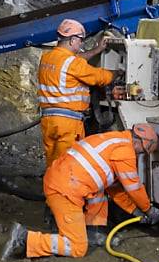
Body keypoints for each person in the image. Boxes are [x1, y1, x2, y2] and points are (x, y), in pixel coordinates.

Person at [0, 123, 159, 260]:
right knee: (77, 248)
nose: (139, 155)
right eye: (142, 151)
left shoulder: (114, 140)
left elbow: (115, 189)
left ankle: (93, 232)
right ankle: (25, 239)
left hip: (62, 180)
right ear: (139, 142)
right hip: (65, 190)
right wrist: (149, 210)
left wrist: (135, 211)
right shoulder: (125, 151)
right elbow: (134, 187)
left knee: (99, 192)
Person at [37, 19, 113, 169]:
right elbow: (99, 77)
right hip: (67, 124)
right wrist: (117, 73)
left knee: (53, 165)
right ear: (72, 40)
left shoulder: (47, 58)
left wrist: (96, 50)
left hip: (49, 121)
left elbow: (73, 61)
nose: (81, 45)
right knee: (69, 166)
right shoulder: (73, 64)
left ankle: (52, 190)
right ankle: (64, 192)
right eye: (80, 41)